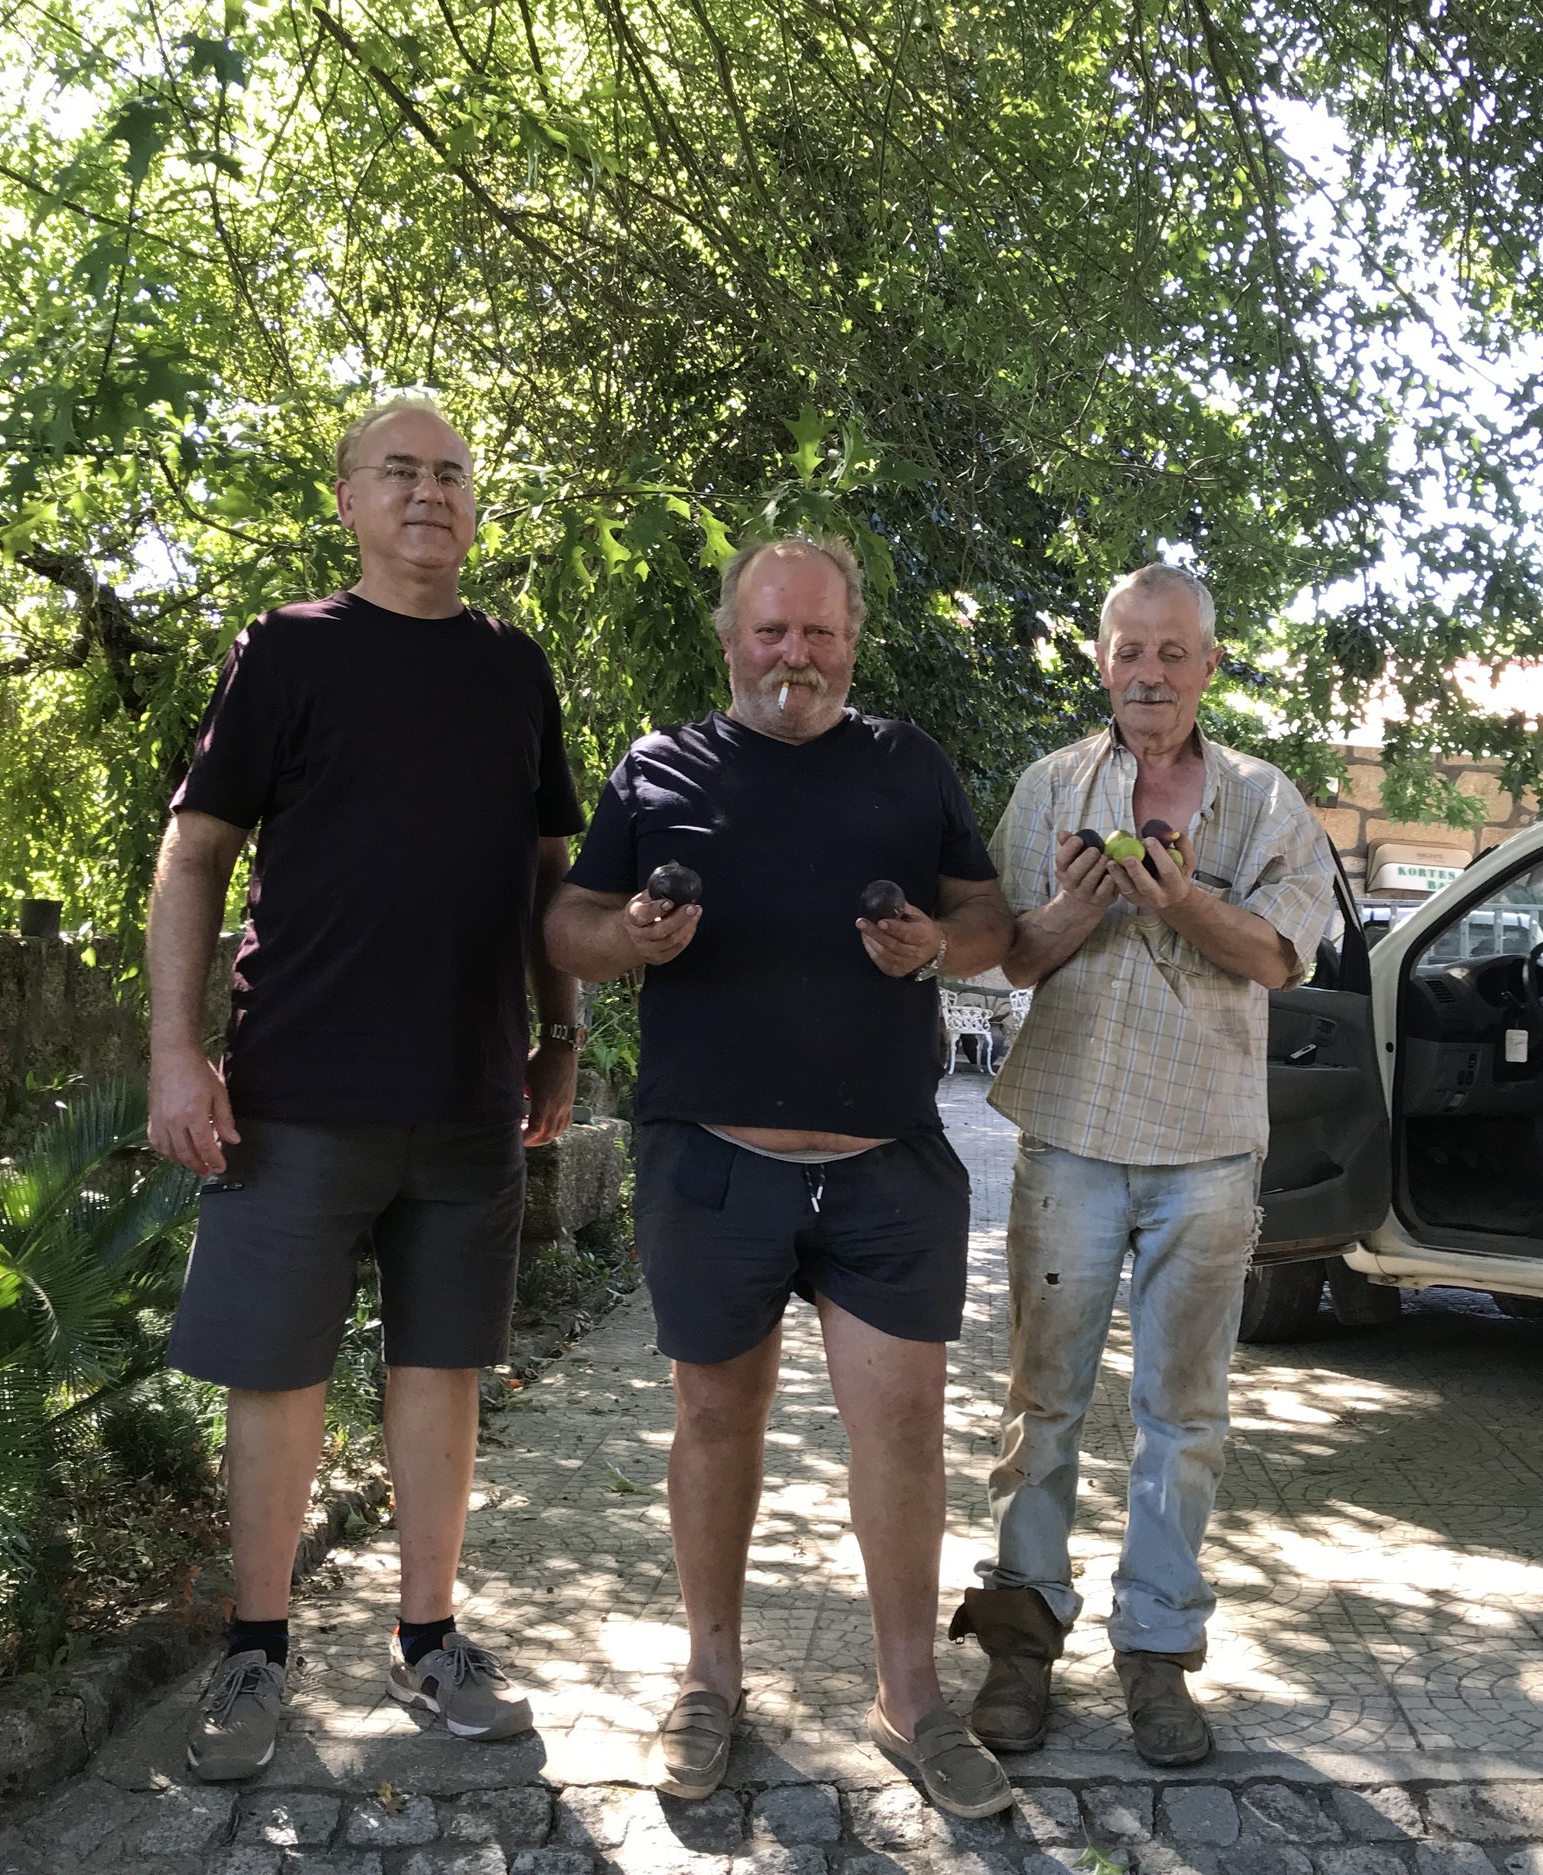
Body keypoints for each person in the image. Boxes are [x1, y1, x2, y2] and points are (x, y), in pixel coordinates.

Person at [145, 393, 586, 1780]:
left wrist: (562, 1029)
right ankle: (256, 1650)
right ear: (347, 497)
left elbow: (548, 878)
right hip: (297, 1088)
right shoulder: (286, 650)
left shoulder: (517, 669)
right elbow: (196, 851)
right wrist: (176, 1045)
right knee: (275, 1374)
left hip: (469, 1095)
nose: (430, 492)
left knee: (440, 1368)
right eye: (400, 470)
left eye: (453, 472)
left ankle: (430, 1637)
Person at [543, 535, 1018, 1817]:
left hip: (884, 1168)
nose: (792, 657)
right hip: (711, 1159)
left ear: (851, 639)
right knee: (712, 1418)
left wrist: (936, 945)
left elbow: (992, 922)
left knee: (906, 1426)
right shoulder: (661, 768)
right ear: (730, 637)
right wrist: (630, 937)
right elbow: (569, 931)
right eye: (770, 632)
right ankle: (709, 1679)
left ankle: (910, 1695)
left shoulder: (908, 764)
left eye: (816, 634)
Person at [958, 563, 1336, 1766]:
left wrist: (1178, 903)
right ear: (1103, 660)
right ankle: (1020, 1643)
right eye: (1131, 651)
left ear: (1209, 667)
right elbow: (1010, 959)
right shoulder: (1049, 787)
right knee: (1041, 1402)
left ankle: (1159, 1654)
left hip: (1209, 1149)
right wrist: (1079, 908)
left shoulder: (1266, 801)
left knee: (1185, 1415)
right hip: (1070, 1128)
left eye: (1174, 654)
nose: (1149, 674)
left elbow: (1281, 957)